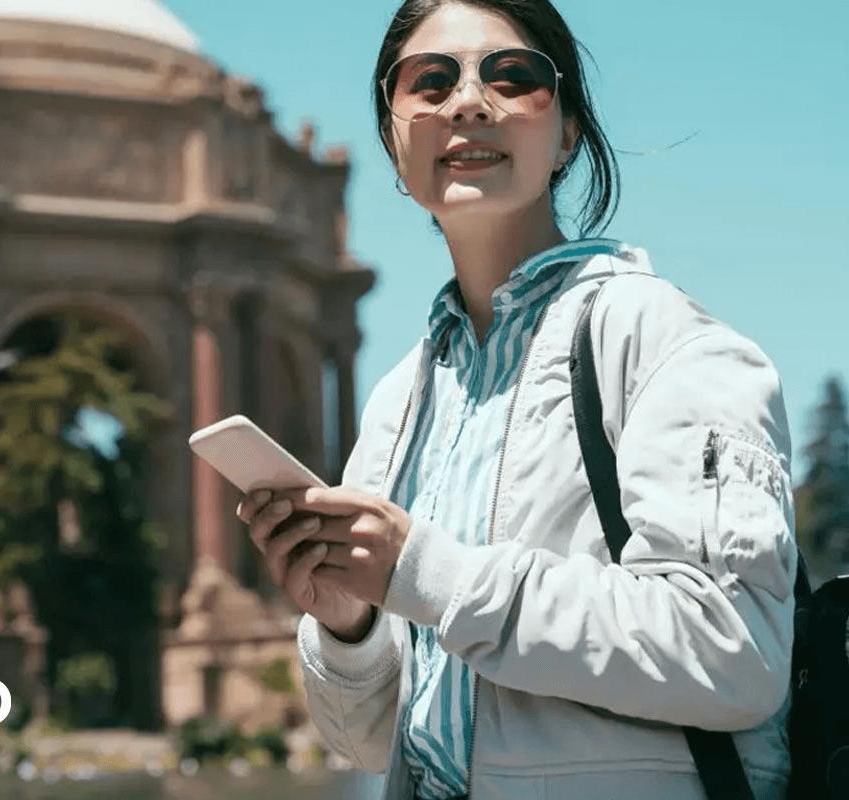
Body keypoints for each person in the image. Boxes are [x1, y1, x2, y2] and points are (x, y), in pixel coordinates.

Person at [235, 1, 797, 798]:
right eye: (428, 82)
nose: (468, 102)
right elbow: (369, 745)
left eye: (514, 77)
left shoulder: (659, 338)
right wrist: (347, 623)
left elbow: (735, 653)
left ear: (567, 132)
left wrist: (433, 574)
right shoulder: (402, 400)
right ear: (396, 142)